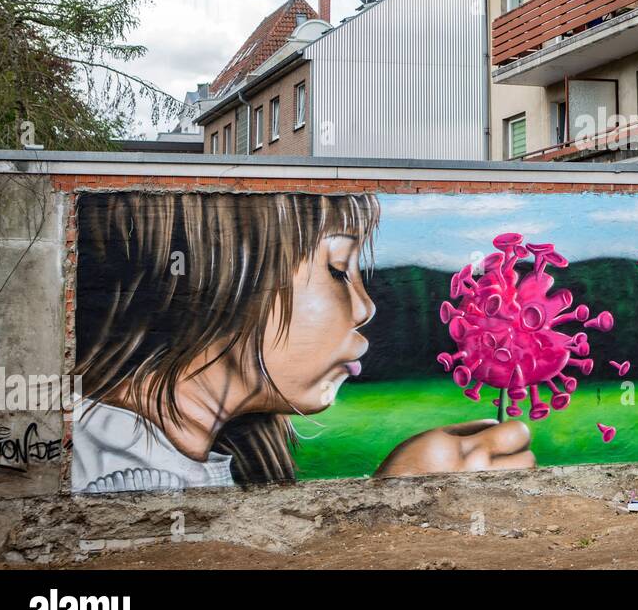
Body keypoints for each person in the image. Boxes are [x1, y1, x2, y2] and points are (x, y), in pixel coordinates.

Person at [72, 191, 532, 493]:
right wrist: (395, 500)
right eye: (337, 268)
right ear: (228, 276)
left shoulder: (148, 459)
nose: (364, 308)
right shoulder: (121, 484)